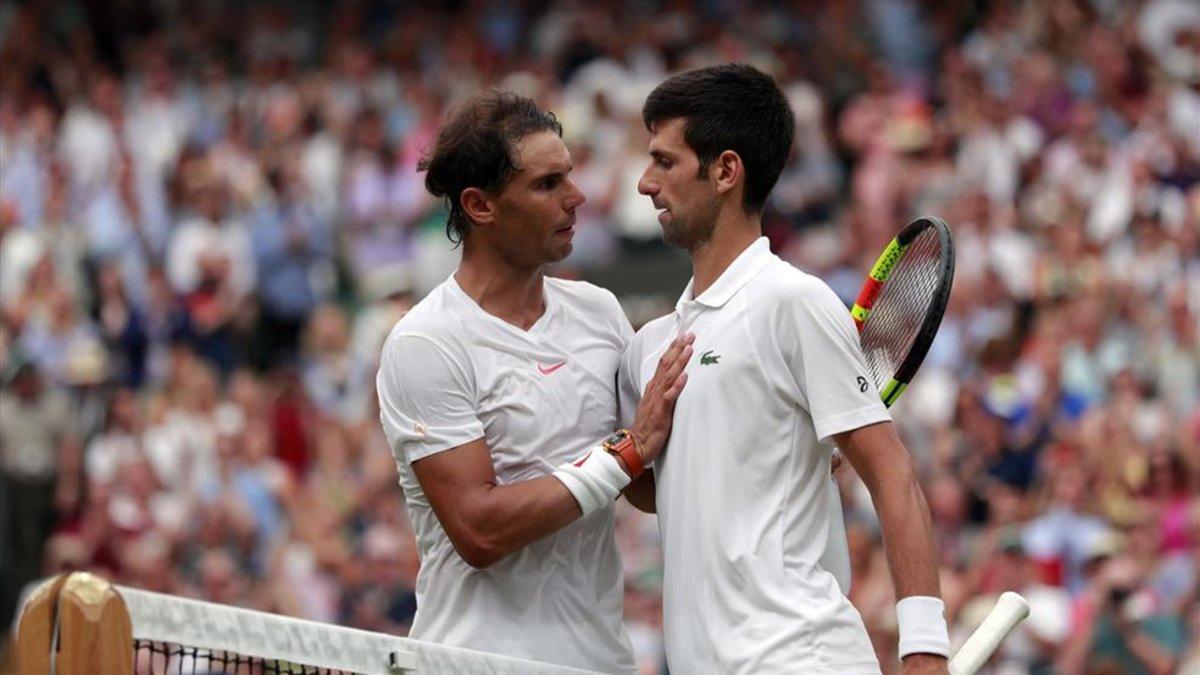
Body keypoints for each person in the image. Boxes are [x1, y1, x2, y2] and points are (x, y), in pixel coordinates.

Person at [618, 63, 950, 674]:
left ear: (724, 171)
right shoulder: (651, 347)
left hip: (800, 657)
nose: (644, 183)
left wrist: (925, 653)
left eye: (664, 162)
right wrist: (636, 446)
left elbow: (893, 478)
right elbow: (663, 495)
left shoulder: (790, 302)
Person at [375, 90, 690, 672]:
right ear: (480, 205)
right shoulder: (425, 343)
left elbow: (643, 488)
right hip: (471, 664)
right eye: (547, 185)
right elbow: (480, 532)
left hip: (598, 662)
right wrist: (625, 453)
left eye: (568, 176)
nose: (576, 198)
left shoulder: (598, 311)